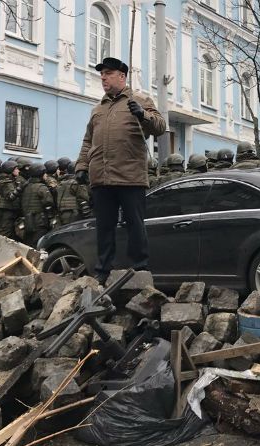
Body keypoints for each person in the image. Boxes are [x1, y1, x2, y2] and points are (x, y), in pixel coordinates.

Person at [76, 57, 165, 284]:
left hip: (130, 177)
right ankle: (103, 269)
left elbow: (160, 127)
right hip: (101, 178)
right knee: (104, 226)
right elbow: (88, 141)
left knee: (135, 224)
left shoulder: (140, 100)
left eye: (108, 73)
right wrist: (82, 166)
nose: (103, 78)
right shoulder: (98, 109)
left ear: (122, 76)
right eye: (102, 74)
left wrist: (142, 114)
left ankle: (139, 267)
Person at [0, 160, 23, 239]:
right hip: (5, 213)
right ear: (11, 170)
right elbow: (10, 197)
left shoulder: (1, 180)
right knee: (3, 235)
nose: (18, 170)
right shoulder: (7, 182)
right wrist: (20, 188)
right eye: (16, 169)